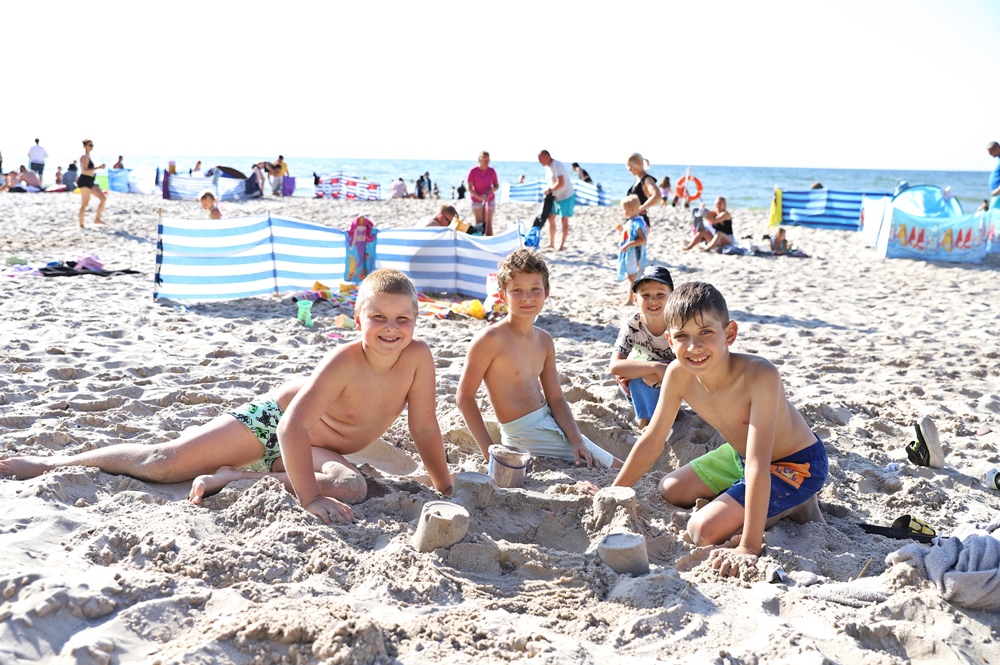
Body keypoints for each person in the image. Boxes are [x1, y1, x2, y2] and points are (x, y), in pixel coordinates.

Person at [0, 269, 454, 525]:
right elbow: (290, 427)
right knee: (163, 463)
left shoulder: (418, 359)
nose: (391, 328)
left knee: (352, 487)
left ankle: (233, 478)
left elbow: (424, 426)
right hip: (271, 426)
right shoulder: (344, 360)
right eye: (378, 318)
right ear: (358, 320)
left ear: (416, 321)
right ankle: (50, 463)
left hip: (316, 450)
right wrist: (309, 499)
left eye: (402, 319)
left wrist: (445, 486)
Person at [607, 281, 827, 577]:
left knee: (702, 530)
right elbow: (653, 440)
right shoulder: (677, 373)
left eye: (706, 333)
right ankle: (764, 503)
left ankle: (794, 505)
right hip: (741, 456)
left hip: (796, 465)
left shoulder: (760, 375)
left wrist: (748, 547)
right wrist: (614, 490)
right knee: (670, 488)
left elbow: (759, 463)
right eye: (682, 336)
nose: (694, 347)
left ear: (730, 333)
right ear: (670, 340)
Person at [457, 248, 622, 469]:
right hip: (525, 434)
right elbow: (464, 397)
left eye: (535, 289)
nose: (527, 297)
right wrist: (490, 453)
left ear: (547, 292)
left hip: (549, 422)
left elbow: (556, 398)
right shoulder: (490, 339)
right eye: (517, 290)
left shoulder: (544, 340)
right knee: (618, 468)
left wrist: (577, 440)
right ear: (502, 295)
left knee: (614, 464)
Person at [609, 265, 676, 429]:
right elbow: (615, 366)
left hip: (677, 375)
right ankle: (645, 420)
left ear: (672, 297)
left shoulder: (679, 323)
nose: (653, 300)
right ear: (635, 299)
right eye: (645, 295)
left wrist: (666, 370)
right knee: (634, 374)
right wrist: (656, 367)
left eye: (660, 294)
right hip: (648, 375)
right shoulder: (633, 325)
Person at [537, 150, 575, 251]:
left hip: (566, 196)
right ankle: (551, 243)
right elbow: (551, 182)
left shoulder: (557, 165)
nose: (539, 161)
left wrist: (550, 190)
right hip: (555, 196)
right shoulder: (547, 167)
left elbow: (561, 182)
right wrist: (548, 190)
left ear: (547, 157)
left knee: (564, 220)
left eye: (540, 159)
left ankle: (561, 246)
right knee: (551, 218)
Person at [615, 195, 648, 303]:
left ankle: (630, 299)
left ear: (632, 209)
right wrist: (622, 229)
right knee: (631, 276)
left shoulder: (637, 223)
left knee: (632, 277)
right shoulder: (632, 221)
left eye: (624, 210)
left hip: (633, 255)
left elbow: (642, 240)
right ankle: (634, 297)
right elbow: (630, 234)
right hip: (629, 254)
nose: (622, 212)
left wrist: (628, 245)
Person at [625, 153, 662, 229]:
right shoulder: (638, 179)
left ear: (640, 164)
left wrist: (642, 207)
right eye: (628, 167)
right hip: (634, 220)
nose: (629, 170)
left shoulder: (647, 179)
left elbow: (657, 195)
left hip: (640, 222)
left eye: (631, 166)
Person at [468, 150, 499, 236]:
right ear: (479, 160)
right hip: (476, 199)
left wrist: (493, 189)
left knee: (488, 224)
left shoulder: (492, 171)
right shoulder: (473, 171)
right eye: (484, 160)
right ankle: (478, 241)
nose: (486, 162)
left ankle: (490, 241)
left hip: (489, 198)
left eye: (488, 160)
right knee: (479, 224)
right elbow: (469, 187)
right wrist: (479, 197)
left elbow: (496, 185)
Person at [77, 139, 107, 228]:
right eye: (90, 145)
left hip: (90, 181)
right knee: (84, 204)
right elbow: (84, 170)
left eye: (92, 145)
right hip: (85, 181)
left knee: (103, 198)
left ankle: (97, 219)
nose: (91, 147)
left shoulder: (88, 156)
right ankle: (81, 224)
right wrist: (98, 167)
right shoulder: (84, 157)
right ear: (85, 146)